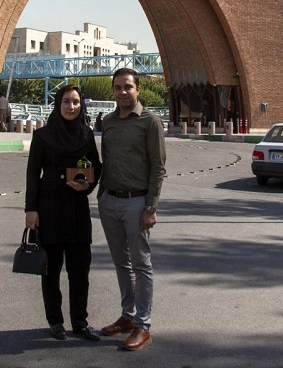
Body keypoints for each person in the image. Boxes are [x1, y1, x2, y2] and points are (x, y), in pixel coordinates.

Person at [24, 84, 103, 342]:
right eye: (67, 101)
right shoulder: (43, 136)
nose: (71, 107)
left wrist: (87, 185)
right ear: (58, 104)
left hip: (77, 209)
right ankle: (55, 321)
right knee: (51, 270)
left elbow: (95, 167)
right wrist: (31, 209)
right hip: (50, 209)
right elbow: (33, 174)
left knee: (80, 270)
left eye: (76, 102)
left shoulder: (86, 135)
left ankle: (80, 321)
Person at [98, 68, 166, 352]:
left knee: (141, 265)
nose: (123, 92)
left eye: (128, 87)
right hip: (109, 201)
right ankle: (127, 316)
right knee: (121, 263)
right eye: (118, 87)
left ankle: (143, 325)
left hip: (137, 203)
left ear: (138, 89)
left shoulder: (150, 121)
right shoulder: (108, 122)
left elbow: (158, 167)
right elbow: (105, 160)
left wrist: (151, 206)